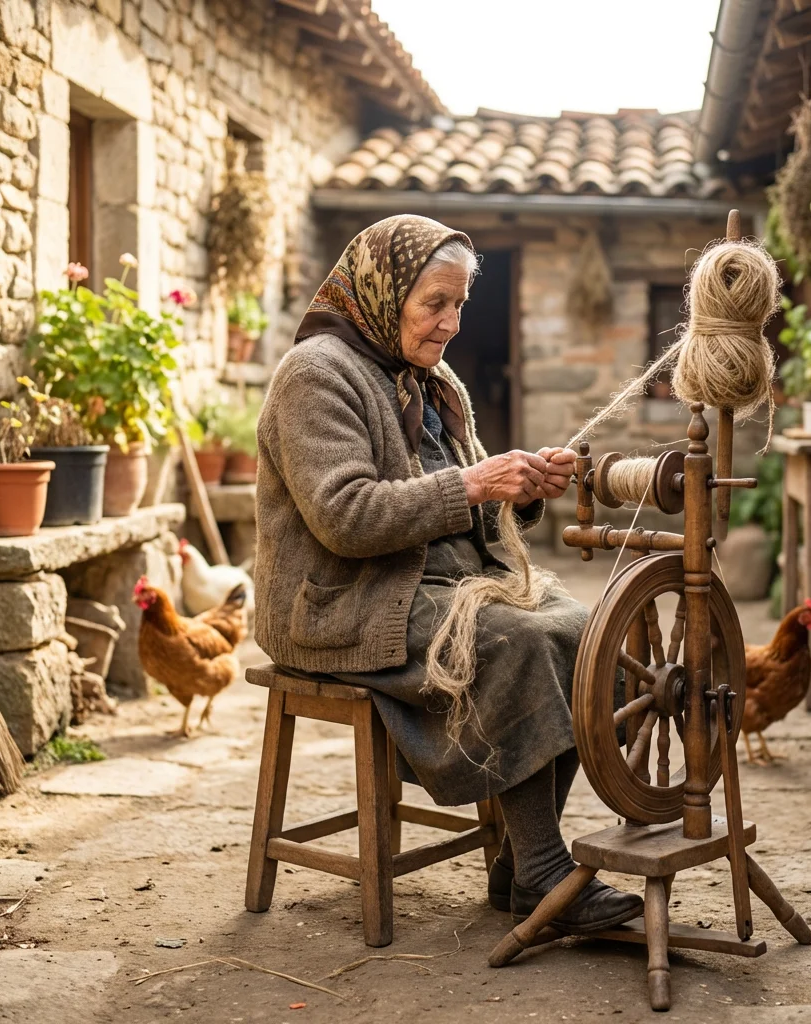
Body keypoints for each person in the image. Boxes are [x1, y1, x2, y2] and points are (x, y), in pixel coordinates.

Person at [255, 215, 641, 932]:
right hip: (340, 600)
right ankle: (546, 871)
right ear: (382, 289)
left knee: (583, 631)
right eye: (435, 302)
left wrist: (517, 491)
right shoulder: (314, 377)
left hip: (428, 584)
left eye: (460, 304)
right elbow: (345, 517)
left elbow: (469, 500)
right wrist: (472, 485)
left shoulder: (433, 382)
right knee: (511, 642)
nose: (451, 323)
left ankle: (524, 866)